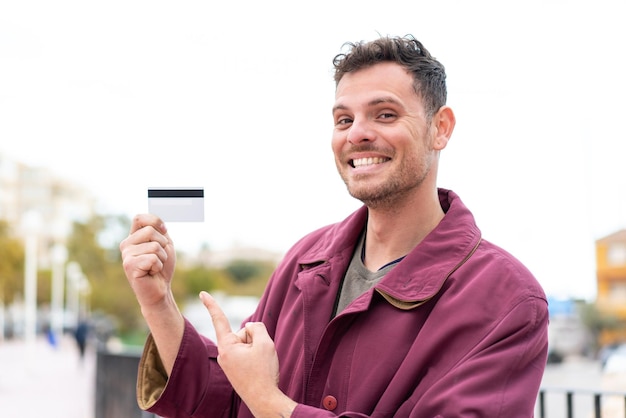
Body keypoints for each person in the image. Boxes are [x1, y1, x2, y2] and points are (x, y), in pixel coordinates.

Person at [120, 35, 549, 417]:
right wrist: (159, 303)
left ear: (441, 128)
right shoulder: (305, 261)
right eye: (344, 120)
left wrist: (272, 405)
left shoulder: (508, 299)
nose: (356, 134)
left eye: (384, 115)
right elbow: (228, 400)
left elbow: (258, 398)